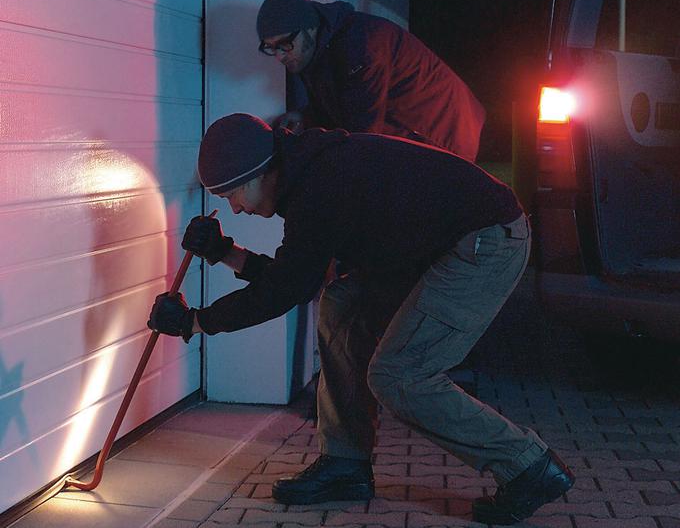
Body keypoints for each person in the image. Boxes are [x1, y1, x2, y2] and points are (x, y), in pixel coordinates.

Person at [147, 113, 574, 525]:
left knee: (400, 376)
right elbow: (296, 277)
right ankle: (345, 464)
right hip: (436, 244)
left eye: (232, 195)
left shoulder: (319, 187)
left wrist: (195, 323)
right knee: (342, 301)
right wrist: (224, 253)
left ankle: (527, 466)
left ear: (259, 172)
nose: (235, 210)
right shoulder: (307, 175)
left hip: (484, 241)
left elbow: (285, 290)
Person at [256, 0, 486, 162]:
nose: (279, 56)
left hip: (444, 132)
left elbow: (362, 132)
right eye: (270, 48)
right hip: (414, 130)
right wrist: (304, 120)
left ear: (311, 28)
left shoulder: (361, 44)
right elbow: (334, 111)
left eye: (285, 44)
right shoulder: (316, 52)